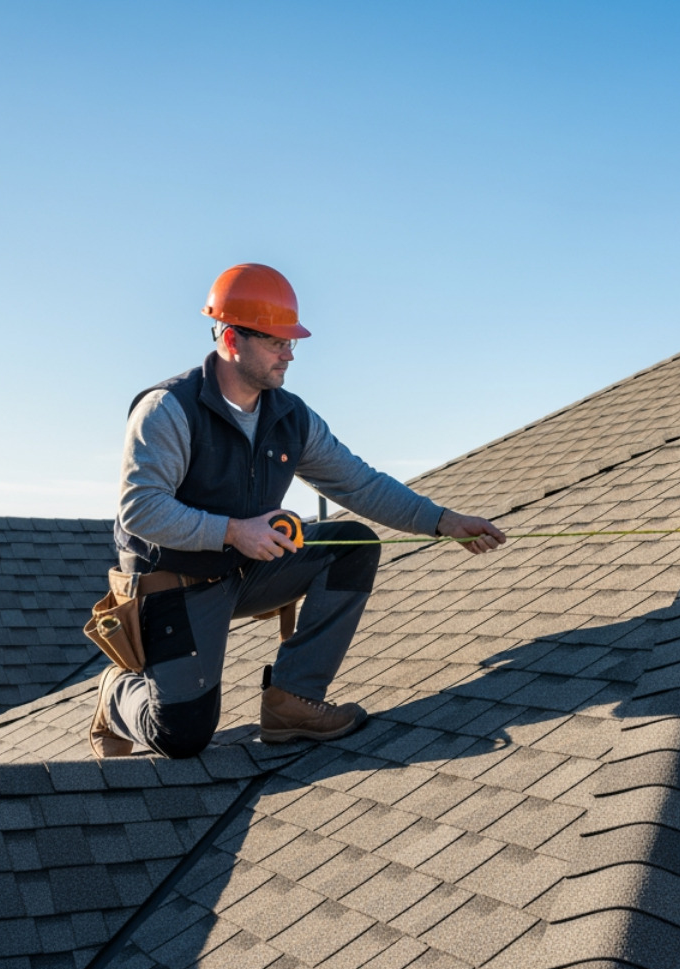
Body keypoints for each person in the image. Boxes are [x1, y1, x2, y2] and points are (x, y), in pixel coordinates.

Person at [89, 263, 506, 758]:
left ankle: (293, 701)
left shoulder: (290, 416)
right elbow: (140, 510)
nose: (289, 355)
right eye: (276, 343)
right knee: (180, 736)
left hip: (245, 572)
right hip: (175, 588)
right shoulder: (167, 410)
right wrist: (234, 531)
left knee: (351, 544)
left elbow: (360, 483)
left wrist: (443, 521)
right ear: (229, 340)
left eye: (292, 343)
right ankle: (118, 693)